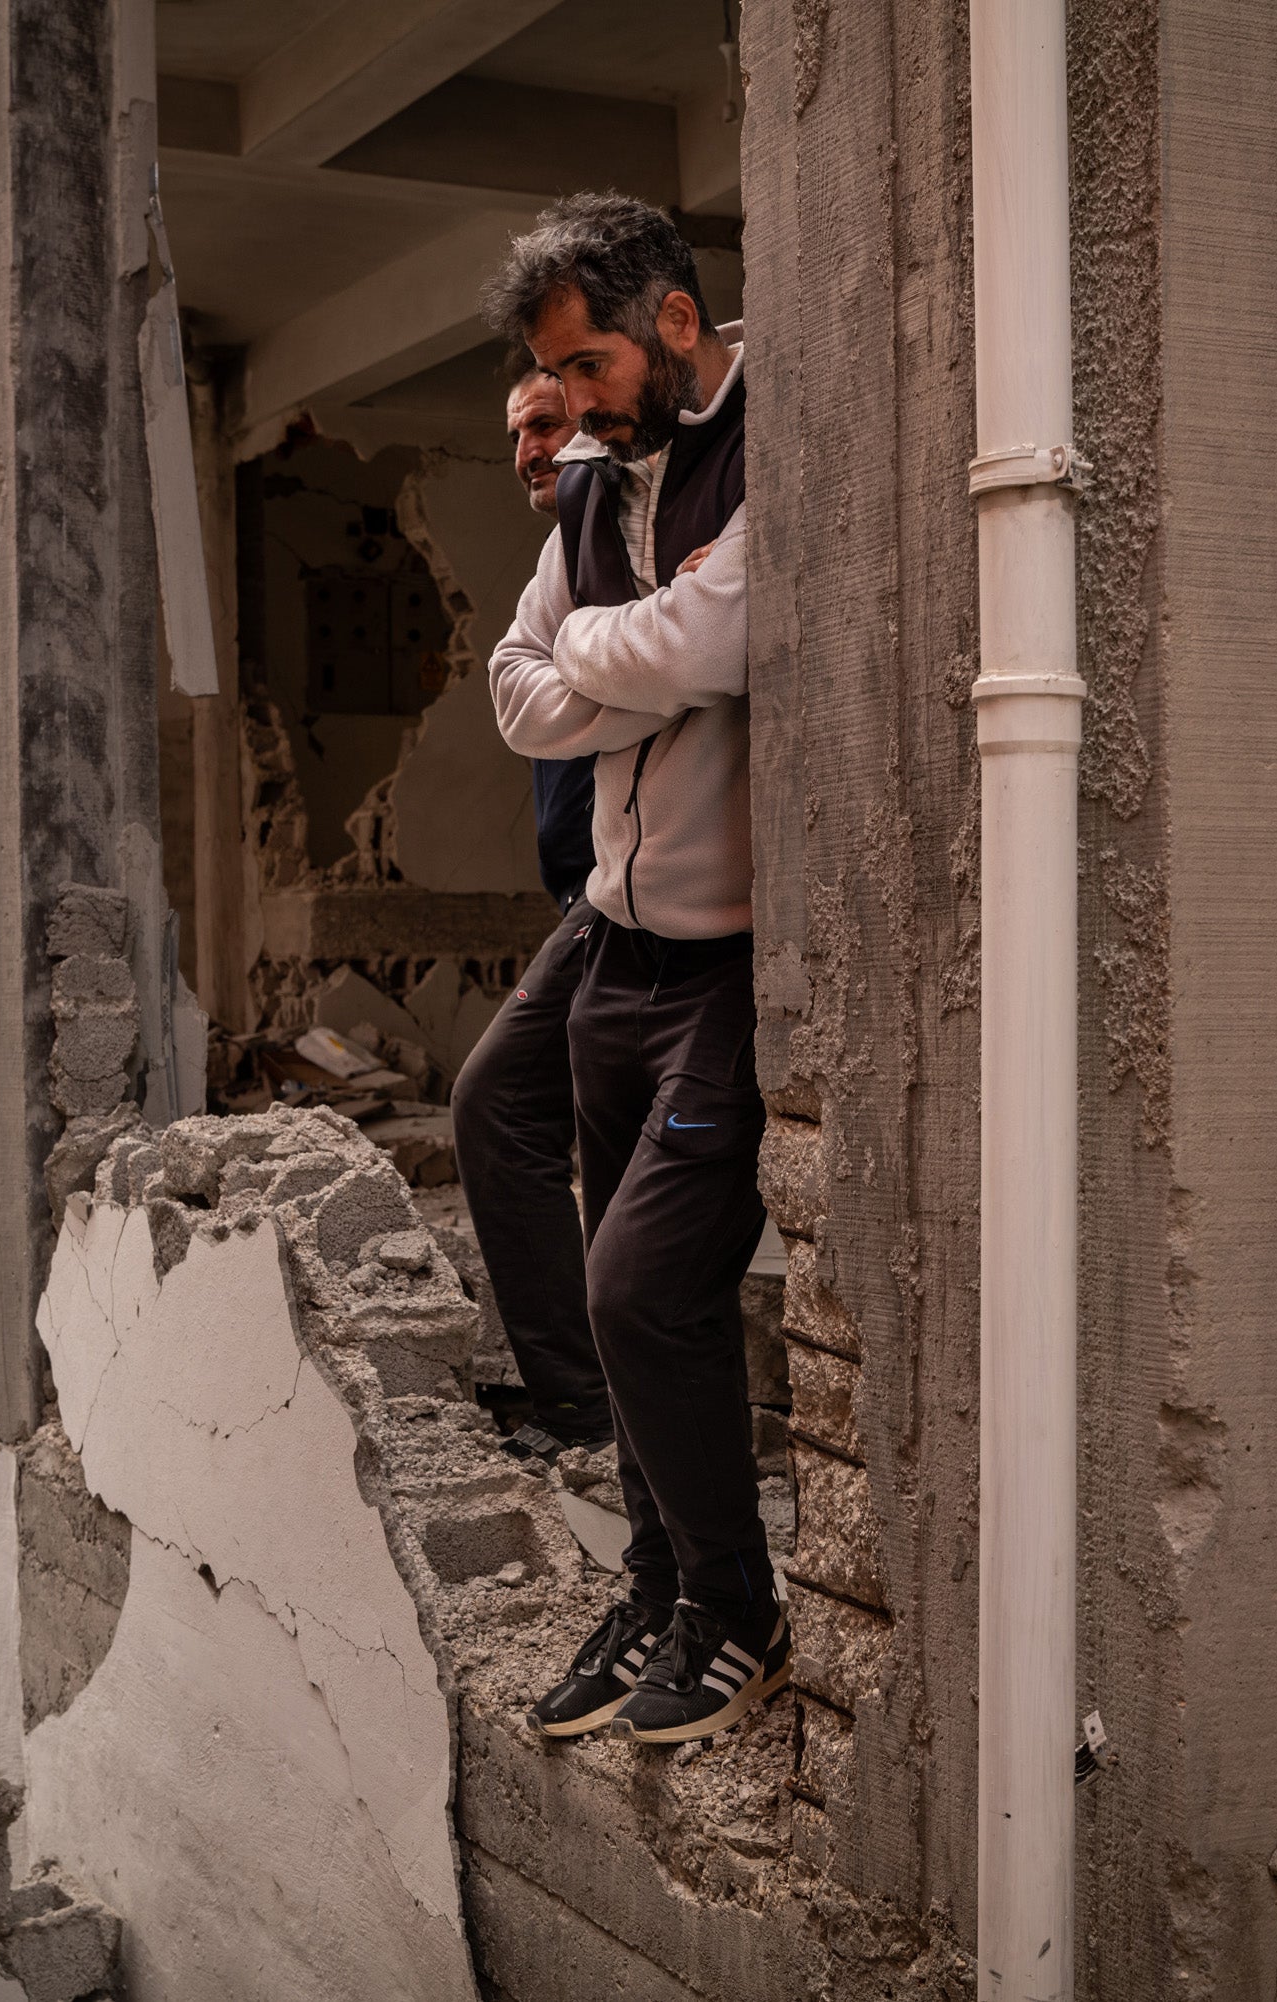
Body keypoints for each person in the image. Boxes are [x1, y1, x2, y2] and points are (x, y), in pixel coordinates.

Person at [476, 193, 783, 1746]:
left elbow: (710, 648)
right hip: (617, 950)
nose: (574, 412)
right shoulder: (599, 486)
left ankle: (739, 1604)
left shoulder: (784, 429)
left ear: (674, 319)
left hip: (733, 970)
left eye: (588, 368)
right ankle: (659, 1582)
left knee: (643, 1288)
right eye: (557, 379)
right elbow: (518, 690)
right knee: (622, 1307)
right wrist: (642, 657)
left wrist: (632, 659)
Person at [449, 374, 614, 1460]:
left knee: (497, 1106)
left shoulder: (621, 552)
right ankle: (599, 1404)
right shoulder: (558, 567)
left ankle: (584, 1406)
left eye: (546, 424)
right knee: (565, 1133)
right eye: (514, 432)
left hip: (629, 901)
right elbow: (516, 694)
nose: (525, 450)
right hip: (591, 900)